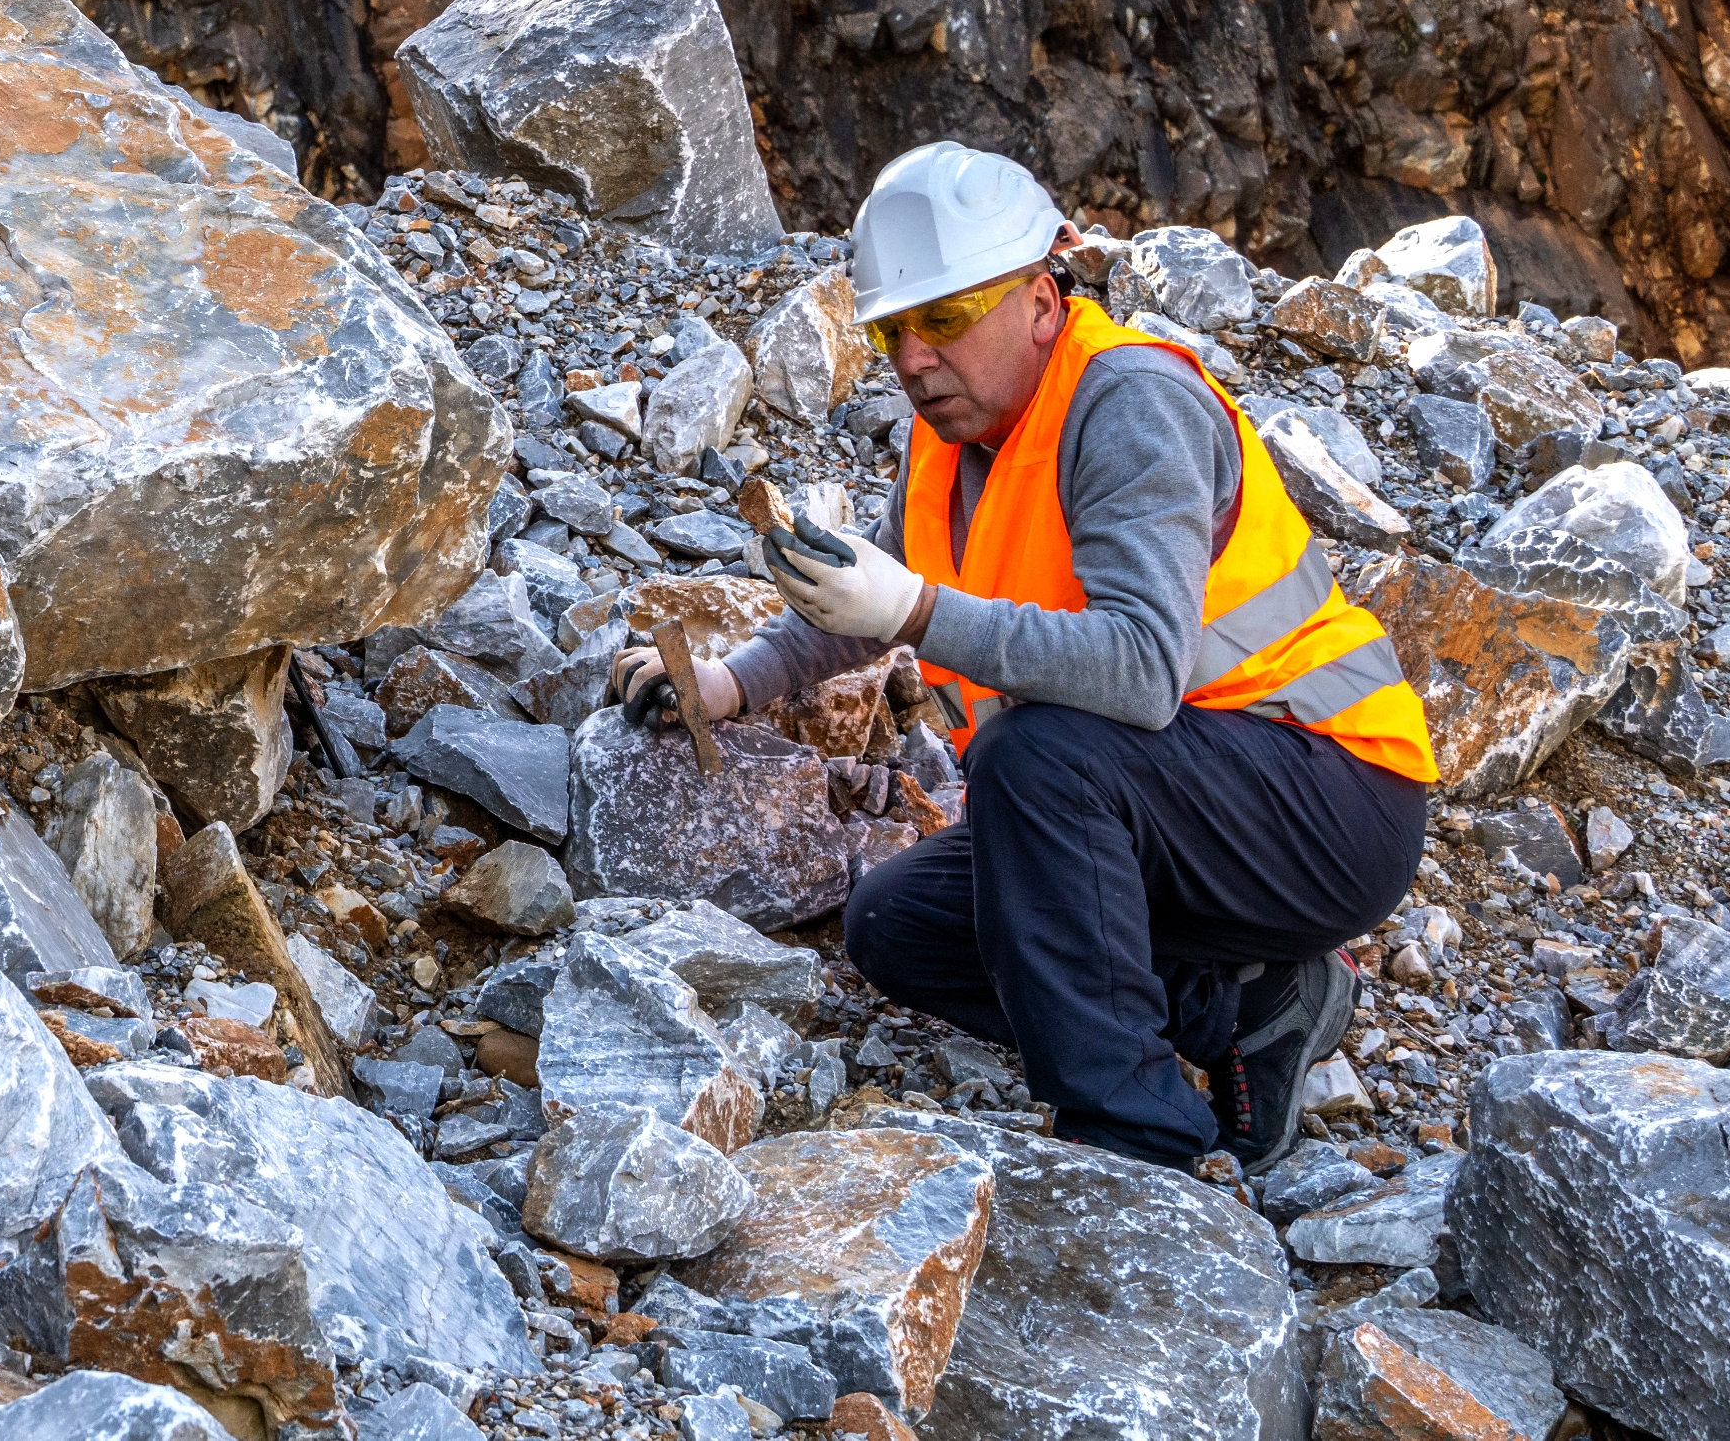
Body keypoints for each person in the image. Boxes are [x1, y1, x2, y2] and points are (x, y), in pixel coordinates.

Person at [610, 142, 1435, 1172]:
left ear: (1043, 300)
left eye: (946, 318)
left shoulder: (1130, 405)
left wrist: (916, 610)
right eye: (892, 329)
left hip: (1331, 798)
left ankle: (1137, 1143)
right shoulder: (952, 435)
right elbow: (871, 598)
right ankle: (1247, 1004)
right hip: (1176, 805)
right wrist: (732, 681)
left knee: (1033, 758)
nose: (914, 357)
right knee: (893, 924)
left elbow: (1137, 668)